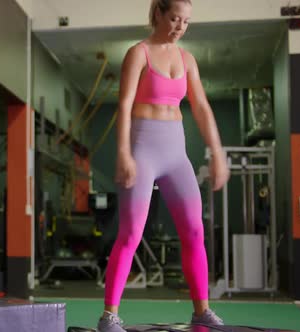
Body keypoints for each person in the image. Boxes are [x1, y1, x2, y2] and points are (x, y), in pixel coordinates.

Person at [96, 0, 230, 331]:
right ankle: (109, 315)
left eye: (186, 22)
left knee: (195, 230)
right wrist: (123, 153)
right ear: (157, 13)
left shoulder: (188, 60)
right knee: (130, 233)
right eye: (174, 18)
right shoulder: (138, 53)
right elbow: (124, 105)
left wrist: (217, 152)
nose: (180, 27)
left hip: (176, 153)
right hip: (143, 149)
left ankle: (201, 311)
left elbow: (201, 108)